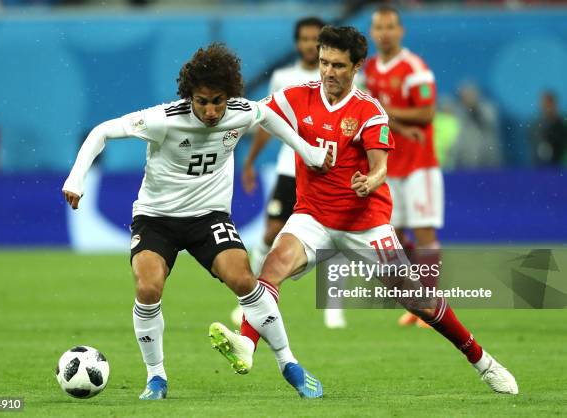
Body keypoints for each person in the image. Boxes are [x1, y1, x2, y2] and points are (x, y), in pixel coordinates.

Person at [210, 26, 518, 395]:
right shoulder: (296, 97)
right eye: (324, 63)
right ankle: (247, 344)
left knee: (417, 299)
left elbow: (380, 166)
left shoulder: (369, 111)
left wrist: (371, 180)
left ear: (357, 66)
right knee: (270, 269)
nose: (328, 72)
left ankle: (482, 360)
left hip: (366, 225)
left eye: (338, 65)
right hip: (314, 217)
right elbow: (258, 117)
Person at [62, 44, 331, 400]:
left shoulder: (240, 112)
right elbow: (101, 132)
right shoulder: (163, 119)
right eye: (202, 101)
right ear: (189, 96)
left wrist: (308, 152)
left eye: (218, 100)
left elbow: (267, 117)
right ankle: (156, 378)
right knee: (148, 288)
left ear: (229, 95)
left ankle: (289, 364)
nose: (211, 110)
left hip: (209, 217)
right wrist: (77, 178)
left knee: (244, 279)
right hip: (156, 219)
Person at [236, 16, 346, 329]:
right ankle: (251, 299)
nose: (310, 45)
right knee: (271, 232)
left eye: (316, 39)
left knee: (334, 236)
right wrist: (250, 162)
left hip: (328, 169)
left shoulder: (341, 78)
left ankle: (333, 306)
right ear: (297, 42)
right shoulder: (285, 77)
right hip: (290, 167)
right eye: (305, 38)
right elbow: (267, 123)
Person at [362, 5, 443, 328]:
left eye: (390, 27)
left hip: (419, 166)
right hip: (387, 166)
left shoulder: (414, 68)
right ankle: (416, 299)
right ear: (372, 32)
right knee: (392, 234)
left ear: (401, 31)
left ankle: (431, 302)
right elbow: (372, 113)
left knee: (423, 233)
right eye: (379, 27)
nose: (384, 33)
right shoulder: (369, 69)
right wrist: (391, 119)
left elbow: (426, 113)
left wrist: (387, 112)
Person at [450, 82, 503, 169]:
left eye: (471, 94)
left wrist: (474, 109)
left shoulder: (488, 109)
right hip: (465, 162)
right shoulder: (456, 112)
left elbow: (490, 123)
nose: (468, 98)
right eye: (465, 95)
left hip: (489, 160)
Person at [529, 90, 566, 166]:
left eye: (550, 104)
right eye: (545, 105)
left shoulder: (563, 124)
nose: (547, 108)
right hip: (541, 168)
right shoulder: (535, 126)